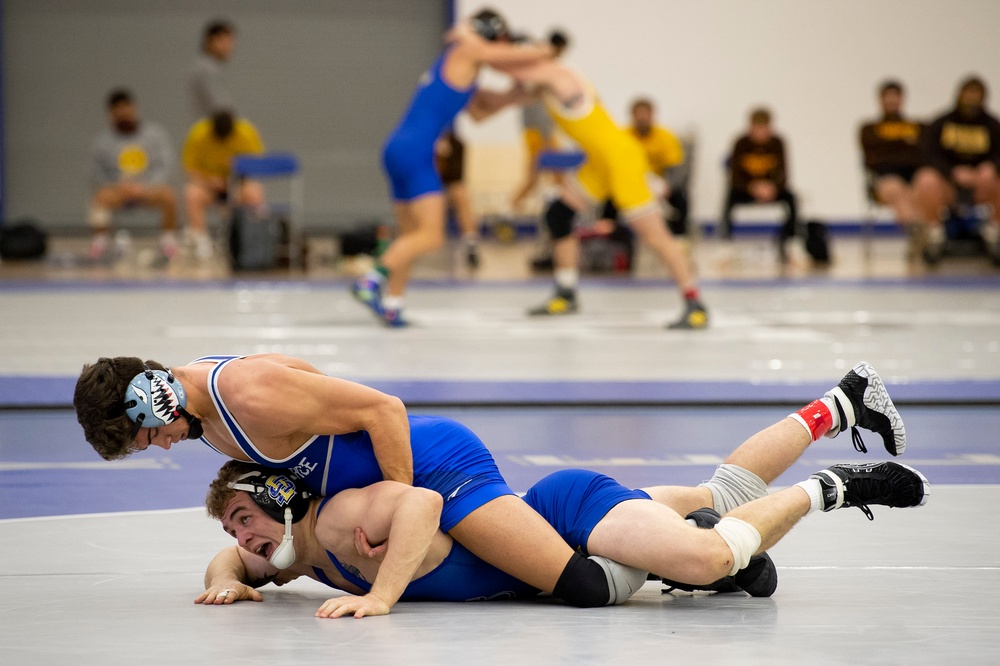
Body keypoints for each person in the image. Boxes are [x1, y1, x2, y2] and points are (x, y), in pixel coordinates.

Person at [195, 361, 926, 619]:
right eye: (234, 533)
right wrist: (225, 575)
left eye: (240, 519)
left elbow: (417, 501)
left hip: (543, 503)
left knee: (626, 577)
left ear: (276, 494)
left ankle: (834, 486)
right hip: (548, 510)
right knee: (721, 496)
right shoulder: (295, 552)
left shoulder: (341, 519)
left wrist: (382, 595)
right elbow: (244, 560)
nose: (242, 540)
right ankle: (840, 403)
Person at [73, 352, 642, 608]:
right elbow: (309, 377)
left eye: (150, 437)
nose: (164, 446)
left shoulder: (247, 394)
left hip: (435, 467)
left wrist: (391, 503)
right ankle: (677, 512)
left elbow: (384, 411)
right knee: (540, 550)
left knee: (583, 588)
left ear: (155, 403)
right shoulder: (210, 412)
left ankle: (700, 532)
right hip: (399, 484)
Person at [469, 33, 708, 329]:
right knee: (559, 214)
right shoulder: (541, 85)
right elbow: (489, 106)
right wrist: (459, 89)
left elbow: (508, 67)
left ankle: (694, 302)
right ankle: (566, 292)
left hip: (621, 160)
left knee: (655, 236)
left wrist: (469, 44)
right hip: (599, 164)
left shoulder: (558, 75)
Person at [351, 9, 554, 327]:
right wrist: (544, 50)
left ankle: (393, 303)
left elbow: (479, 112)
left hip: (399, 148)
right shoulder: (467, 48)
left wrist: (517, 96)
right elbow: (506, 56)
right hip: (417, 152)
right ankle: (371, 280)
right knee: (431, 235)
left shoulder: (462, 63)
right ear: (492, 35)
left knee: (410, 236)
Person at [913, 75, 1000, 264]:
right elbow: (928, 155)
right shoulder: (942, 122)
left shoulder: (992, 125)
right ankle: (935, 235)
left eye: (977, 94)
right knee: (925, 179)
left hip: (982, 184)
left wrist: (990, 167)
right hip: (948, 183)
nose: (972, 98)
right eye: (968, 93)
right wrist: (953, 172)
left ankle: (994, 233)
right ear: (960, 94)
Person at [88, 88, 178, 263]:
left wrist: (145, 186)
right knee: (99, 199)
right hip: (118, 190)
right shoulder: (102, 142)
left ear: (134, 109)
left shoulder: (154, 135)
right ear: (111, 114)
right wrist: (118, 186)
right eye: (118, 113)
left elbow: (165, 165)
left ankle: (168, 239)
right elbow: (95, 174)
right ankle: (100, 241)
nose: (124, 116)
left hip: (148, 189)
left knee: (168, 195)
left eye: (127, 111)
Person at [181, 110, 265, 260]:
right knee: (192, 193)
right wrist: (209, 182)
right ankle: (201, 243)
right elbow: (190, 170)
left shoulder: (246, 133)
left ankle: (252, 241)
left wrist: (237, 174)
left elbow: (257, 166)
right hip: (209, 188)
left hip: (237, 185)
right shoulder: (198, 134)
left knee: (254, 192)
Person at [722, 108, 799, 262]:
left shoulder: (778, 143)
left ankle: (790, 244)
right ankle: (726, 244)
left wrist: (772, 188)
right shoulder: (740, 143)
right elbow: (734, 176)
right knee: (729, 197)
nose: (761, 133)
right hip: (746, 190)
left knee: (791, 199)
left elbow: (784, 174)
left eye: (764, 129)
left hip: (771, 190)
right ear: (750, 128)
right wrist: (752, 187)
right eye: (757, 129)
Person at [510, 31, 569, 213]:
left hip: (545, 129)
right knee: (536, 176)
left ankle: (561, 210)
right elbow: (529, 95)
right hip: (536, 130)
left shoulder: (548, 66)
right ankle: (513, 206)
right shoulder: (537, 65)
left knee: (558, 175)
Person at [859, 80, 924, 235]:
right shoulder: (869, 129)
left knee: (926, 185)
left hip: (914, 177)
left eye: (895, 96)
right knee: (896, 188)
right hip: (883, 179)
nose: (891, 100)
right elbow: (873, 159)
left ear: (902, 99)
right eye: (887, 96)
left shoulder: (917, 127)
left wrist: (890, 149)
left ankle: (928, 235)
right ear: (880, 100)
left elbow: (923, 155)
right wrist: (905, 144)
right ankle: (918, 233)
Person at [435, 127, 480, 268]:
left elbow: (456, 178)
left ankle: (470, 242)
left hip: (446, 186)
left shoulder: (457, 145)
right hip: (426, 188)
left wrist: (445, 158)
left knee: (460, 193)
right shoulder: (422, 144)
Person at [190, 19, 237, 120]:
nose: (230, 47)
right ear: (213, 40)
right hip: (211, 132)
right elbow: (219, 108)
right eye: (227, 41)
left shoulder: (208, 67)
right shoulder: (207, 69)